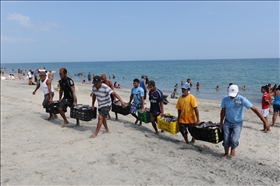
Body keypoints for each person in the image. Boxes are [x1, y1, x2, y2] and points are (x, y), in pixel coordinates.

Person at [219, 84, 270, 159]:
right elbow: (223, 111)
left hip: (238, 123)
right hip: (227, 121)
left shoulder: (242, 99)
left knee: (234, 140)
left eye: (233, 95)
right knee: (226, 139)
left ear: (238, 92)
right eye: (230, 94)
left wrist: (264, 121)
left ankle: (233, 148)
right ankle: (226, 153)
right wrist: (221, 123)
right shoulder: (225, 99)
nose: (231, 96)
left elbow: (254, 109)